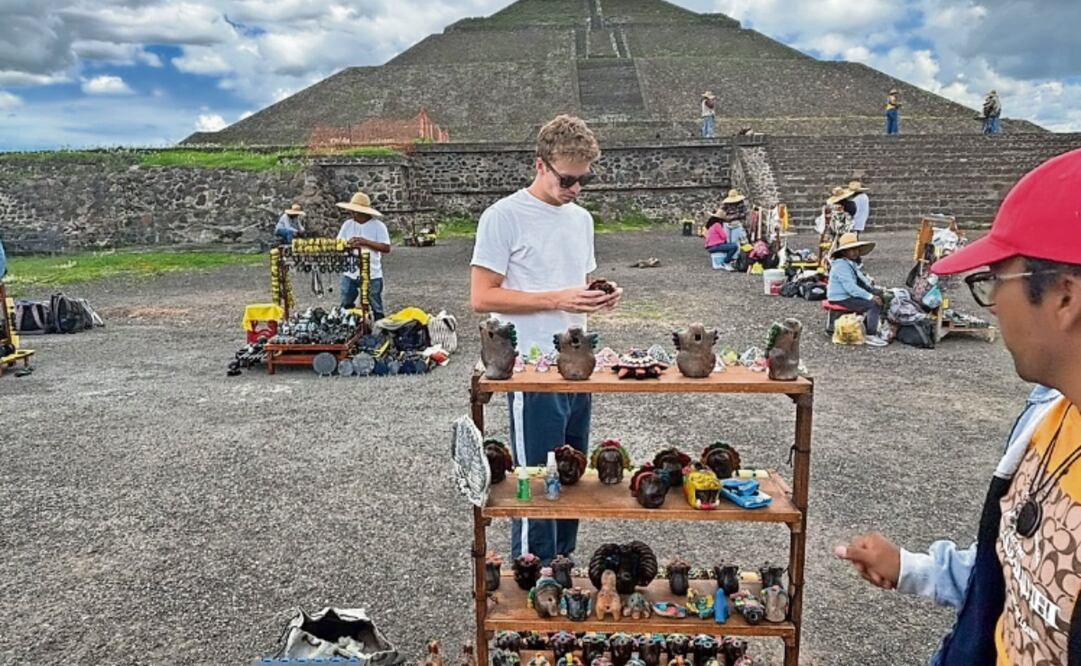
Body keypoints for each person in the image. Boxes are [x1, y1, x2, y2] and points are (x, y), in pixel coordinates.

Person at [834, 147, 1081, 665]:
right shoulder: (1048, 414)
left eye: (993, 282)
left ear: (1064, 297)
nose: (990, 307)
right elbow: (1015, 567)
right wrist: (912, 568)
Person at [470, 114, 622, 564]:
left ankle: (562, 567)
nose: (576, 189)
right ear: (540, 166)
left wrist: (601, 294)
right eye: (568, 179)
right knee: (535, 481)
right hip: (530, 368)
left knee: (573, 475)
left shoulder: (581, 220)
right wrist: (556, 297)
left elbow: (579, 281)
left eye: (583, 180)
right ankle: (530, 578)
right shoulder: (503, 217)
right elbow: (482, 297)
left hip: (579, 365)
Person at [336, 192, 391, 321]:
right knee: (346, 302)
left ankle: (380, 328)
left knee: (375, 304)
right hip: (350, 271)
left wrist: (365, 242)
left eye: (356, 212)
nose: (353, 214)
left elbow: (386, 248)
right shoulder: (347, 225)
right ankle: (349, 326)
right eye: (352, 211)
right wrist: (347, 245)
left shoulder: (378, 226)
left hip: (372, 272)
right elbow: (338, 243)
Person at [826, 232, 888, 346]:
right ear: (844, 252)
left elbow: (861, 279)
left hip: (846, 295)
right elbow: (851, 288)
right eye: (851, 249)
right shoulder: (841, 265)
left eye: (856, 249)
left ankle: (872, 325)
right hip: (840, 297)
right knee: (873, 304)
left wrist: (873, 290)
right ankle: (871, 335)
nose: (855, 252)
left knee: (879, 296)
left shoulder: (850, 263)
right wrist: (870, 296)